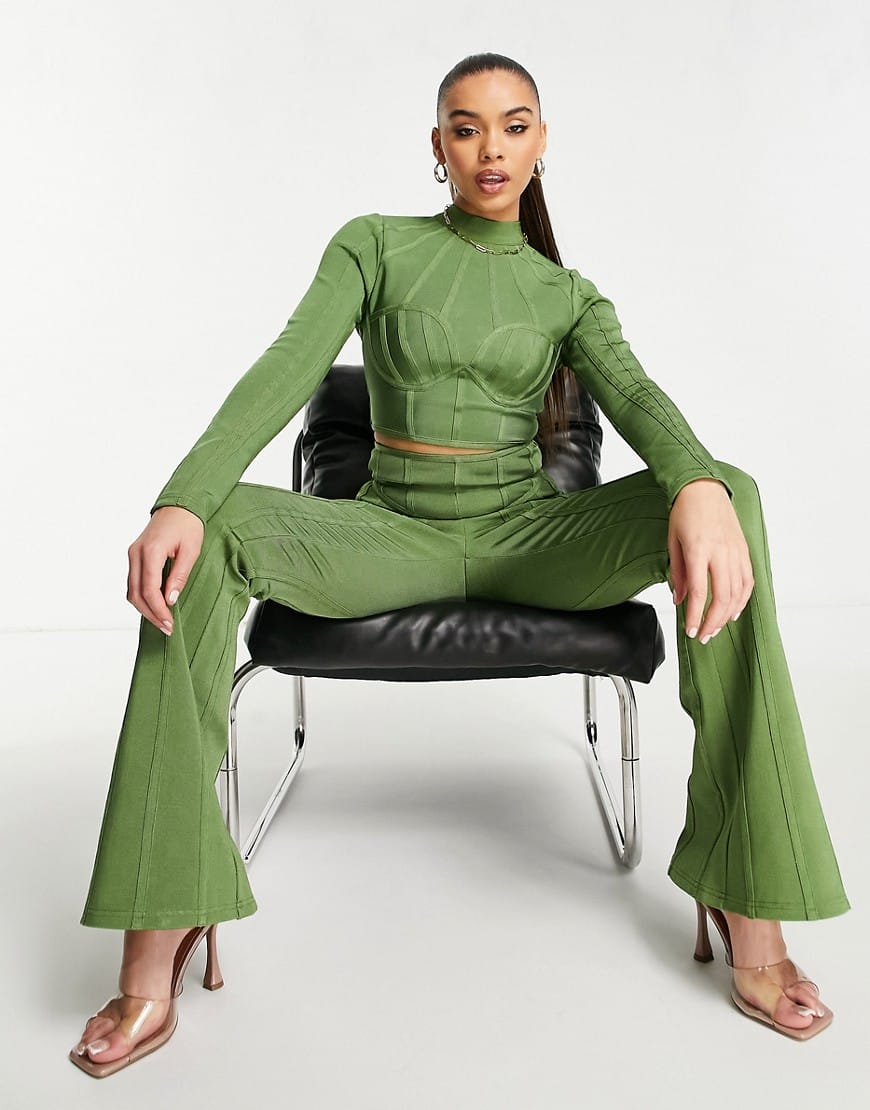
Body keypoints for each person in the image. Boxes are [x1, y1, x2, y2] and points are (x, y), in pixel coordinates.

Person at [70, 53, 850, 1076]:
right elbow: (286, 366)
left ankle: (750, 900)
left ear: (541, 143)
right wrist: (182, 495)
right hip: (387, 535)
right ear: (437, 145)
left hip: (530, 538)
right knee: (204, 537)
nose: (492, 149)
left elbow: (637, 397)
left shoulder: (567, 293)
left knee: (732, 495)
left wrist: (698, 481)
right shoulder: (375, 244)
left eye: (514, 126)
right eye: (468, 126)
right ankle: (160, 927)